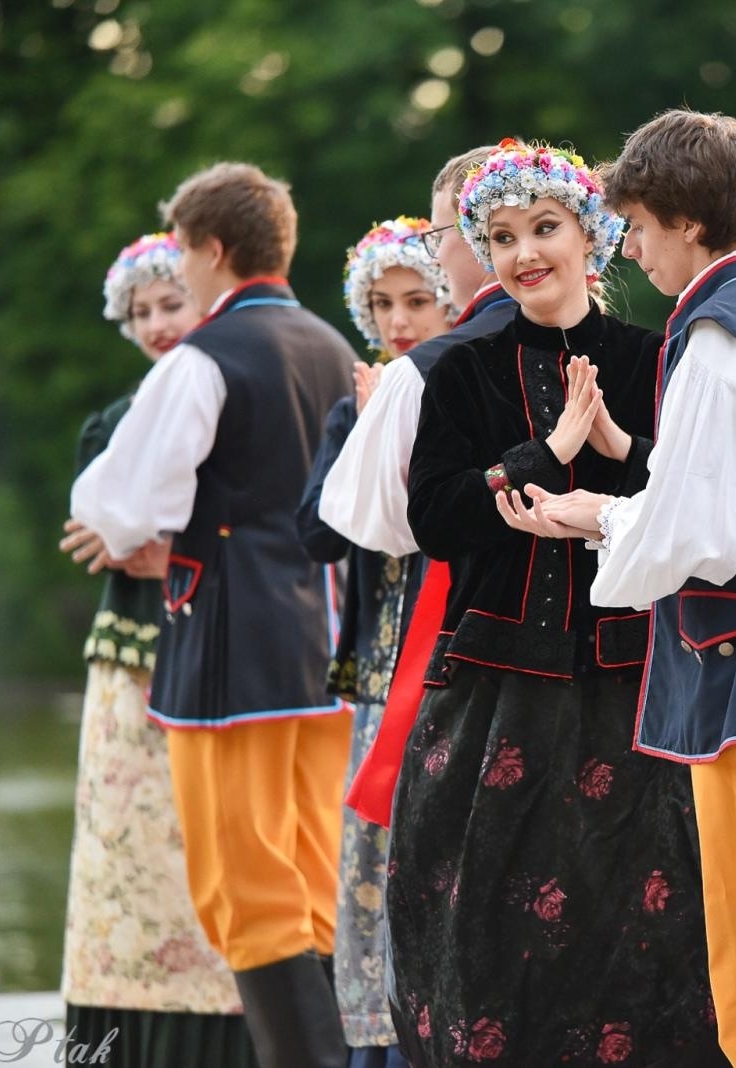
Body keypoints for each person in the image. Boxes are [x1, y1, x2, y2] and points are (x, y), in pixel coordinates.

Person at [530, 110, 736, 1068]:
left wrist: (592, 514)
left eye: (636, 226)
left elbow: (705, 534)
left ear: (685, 219)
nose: (631, 249)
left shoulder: (717, 334)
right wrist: (628, 476)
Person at [385, 138, 727, 1066]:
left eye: (544, 228)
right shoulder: (463, 368)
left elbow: (694, 497)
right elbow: (438, 519)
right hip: (499, 685)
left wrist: (610, 442)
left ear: (594, 237)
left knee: (643, 912)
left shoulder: (655, 356)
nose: (524, 252)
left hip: (633, 684)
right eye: (500, 237)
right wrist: (539, 454)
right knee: (486, 920)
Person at [70, 162, 357, 1068]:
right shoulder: (330, 345)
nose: (183, 279)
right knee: (313, 878)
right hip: (327, 645)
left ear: (215, 251)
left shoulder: (205, 357)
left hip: (231, 645)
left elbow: (113, 503)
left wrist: (157, 525)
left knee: (243, 888)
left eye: (187, 257)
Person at [56, 232, 254, 1067]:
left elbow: (165, 529)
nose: (158, 322)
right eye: (141, 311)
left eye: (171, 303)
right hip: (131, 653)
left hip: (218, 645)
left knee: (215, 847)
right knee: (124, 850)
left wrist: (170, 542)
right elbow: (99, 527)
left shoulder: (242, 403)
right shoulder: (110, 422)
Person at [318, 145, 517, 828]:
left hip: (454, 642)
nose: (434, 258)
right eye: (383, 304)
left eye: (437, 239)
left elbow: (374, 524)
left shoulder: (420, 376)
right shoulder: (622, 345)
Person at [296, 215, 453, 1068]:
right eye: (383, 303)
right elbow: (311, 536)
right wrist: (360, 438)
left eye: (418, 300)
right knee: (371, 857)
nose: (400, 321)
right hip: (380, 663)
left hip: (445, 657)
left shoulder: (460, 389)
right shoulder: (355, 403)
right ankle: (375, 1041)